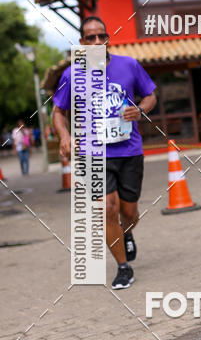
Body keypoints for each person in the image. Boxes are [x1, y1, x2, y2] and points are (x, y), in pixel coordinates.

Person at [52, 16, 157, 289]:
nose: (97, 42)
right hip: (93, 154)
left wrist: (141, 109)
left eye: (102, 36)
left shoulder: (129, 65)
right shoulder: (71, 75)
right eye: (91, 38)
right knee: (108, 209)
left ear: (108, 38)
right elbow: (58, 112)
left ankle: (127, 232)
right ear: (82, 43)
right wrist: (64, 135)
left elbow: (150, 95)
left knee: (129, 211)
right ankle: (123, 267)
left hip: (129, 150)